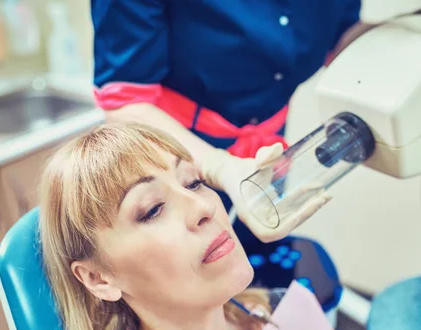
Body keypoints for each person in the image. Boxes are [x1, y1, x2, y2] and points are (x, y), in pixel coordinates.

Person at [38, 123, 368, 330]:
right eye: (153, 209)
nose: (203, 207)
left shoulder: (287, 312)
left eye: (193, 182)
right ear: (99, 278)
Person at [90, 0, 373, 245]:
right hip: (173, 155)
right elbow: (125, 102)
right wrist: (220, 167)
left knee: (250, 271)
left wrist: (405, 31)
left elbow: (337, 38)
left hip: (265, 151)